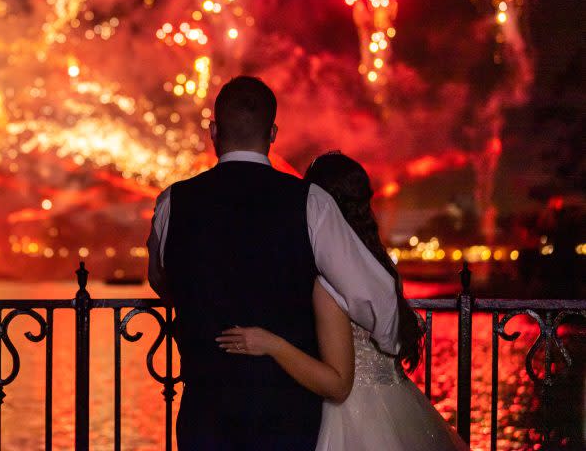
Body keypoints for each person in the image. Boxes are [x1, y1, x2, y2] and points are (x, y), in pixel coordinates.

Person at [147, 76, 400, 450]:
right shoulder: (310, 203)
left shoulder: (173, 202)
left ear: (213, 131)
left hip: (205, 413)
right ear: (273, 133)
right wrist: (389, 342)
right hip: (287, 415)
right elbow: (373, 294)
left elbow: (161, 280)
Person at [217, 152, 469, 451]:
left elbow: (337, 386)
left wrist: (270, 343)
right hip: (400, 405)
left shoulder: (329, 282)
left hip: (351, 417)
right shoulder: (380, 266)